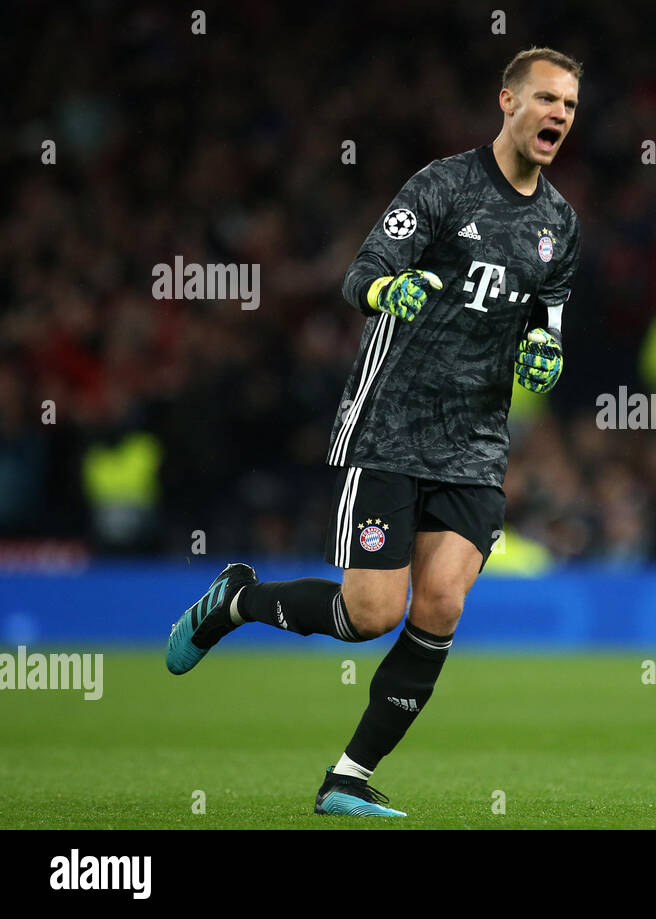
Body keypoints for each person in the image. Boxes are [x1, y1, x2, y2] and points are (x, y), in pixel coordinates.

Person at [165, 47, 583, 818]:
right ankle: (236, 600)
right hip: (390, 427)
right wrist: (399, 286)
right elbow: (361, 275)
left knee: (443, 606)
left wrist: (546, 354)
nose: (559, 114)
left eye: (569, 105)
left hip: (477, 444)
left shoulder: (559, 224)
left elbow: (548, 325)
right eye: (547, 99)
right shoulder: (441, 186)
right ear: (507, 102)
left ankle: (347, 777)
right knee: (370, 614)